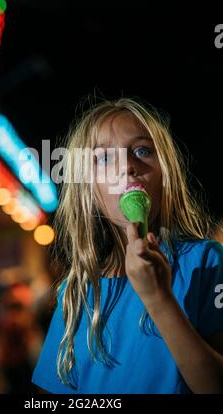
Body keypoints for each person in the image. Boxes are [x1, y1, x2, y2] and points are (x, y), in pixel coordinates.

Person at [31, 97, 223, 394]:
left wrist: (158, 297)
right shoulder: (76, 291)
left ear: (165, 174)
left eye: (142, 151)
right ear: (89, 190)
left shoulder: (206, 262)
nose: (128, 167)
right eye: (105, 158)